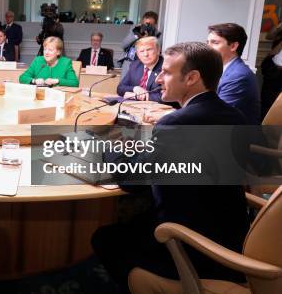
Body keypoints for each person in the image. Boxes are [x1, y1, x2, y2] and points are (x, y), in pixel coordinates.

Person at [91, 42, 249, 294]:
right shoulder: (236, 117)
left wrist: (110, 146)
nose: (159, 79)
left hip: (189, 247)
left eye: (166, 72)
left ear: (192, 78)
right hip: (231, 235)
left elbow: (129, 179)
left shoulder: (177, 123)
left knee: (103, 238)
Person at [207, 23, 261, 124]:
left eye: (215, 42)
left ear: (233, 46)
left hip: (237, 137)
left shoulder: (239, 76)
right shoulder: (220, 69)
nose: (208, 47)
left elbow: (216, 115)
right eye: (208, 42)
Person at [117, 36, 163, 102]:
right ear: (137, 54)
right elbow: (120, 88)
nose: (146, 54)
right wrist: (135, 89)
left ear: (158, 51)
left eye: (149, 49)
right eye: (142, 51)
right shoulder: (135, 65)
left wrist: (136, 96)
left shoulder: (165, 67)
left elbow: (168, 97)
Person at [119, 11, 161, 77]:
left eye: (149, 25)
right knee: (123, 85)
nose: (146, 26)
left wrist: (149, 37)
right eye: (145, 24)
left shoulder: (157, 35)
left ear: (155, 25)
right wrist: (137, 35)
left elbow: (157, 51)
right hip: (130, 61)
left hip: (145, 64)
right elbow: (123, 45)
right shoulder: (136, 30)